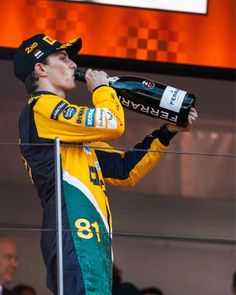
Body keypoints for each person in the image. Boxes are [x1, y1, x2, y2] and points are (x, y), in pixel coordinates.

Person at [13, 33, 198, 295]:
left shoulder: (69, 129)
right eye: (63, 58)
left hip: (91, 238)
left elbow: (125, 170)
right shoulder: (40, 108)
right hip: (73, 235)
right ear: (40, 69)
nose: (73, 65)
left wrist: (166, 132)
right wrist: (102, 89)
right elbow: (112, 123)